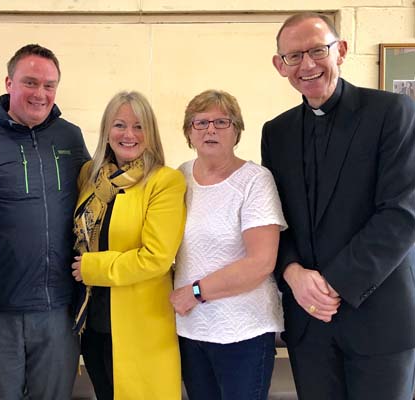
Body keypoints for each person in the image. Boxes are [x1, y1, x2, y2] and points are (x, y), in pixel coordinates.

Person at [262, 12, 415, 400]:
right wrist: (292, 272)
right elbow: (275, 217)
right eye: (294, 56)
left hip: (379, 318)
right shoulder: (276, 132)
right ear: (280, 65)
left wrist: (331, 284)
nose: (307, 65)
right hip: (308, 323)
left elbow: (402, 213)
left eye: (318, 51)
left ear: (341, 51)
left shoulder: (392, 112)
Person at [0, 43, 90, 400]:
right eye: (30, 82)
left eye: (49, 85)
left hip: (59, 312)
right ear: (9, 83)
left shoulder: (70, 138)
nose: (40, 94)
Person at [169, 89, 286, 400]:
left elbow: (261, 262)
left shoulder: (255, 180)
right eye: (201, 122)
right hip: (191, 329)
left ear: (237, 131)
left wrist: (196, 292)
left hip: (243, 331)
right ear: (188, 132)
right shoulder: (180, 177)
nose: (210, 129)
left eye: (221, 122)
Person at [72, 91, 186, 399]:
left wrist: (92, 268)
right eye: (120, 125)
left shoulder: (164, 181)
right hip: (92, 323)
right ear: (107, 131)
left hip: (141, 326)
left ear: (151, 132)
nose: (129, 134)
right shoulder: (90, 176)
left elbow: (157, 257)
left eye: (139, 126)